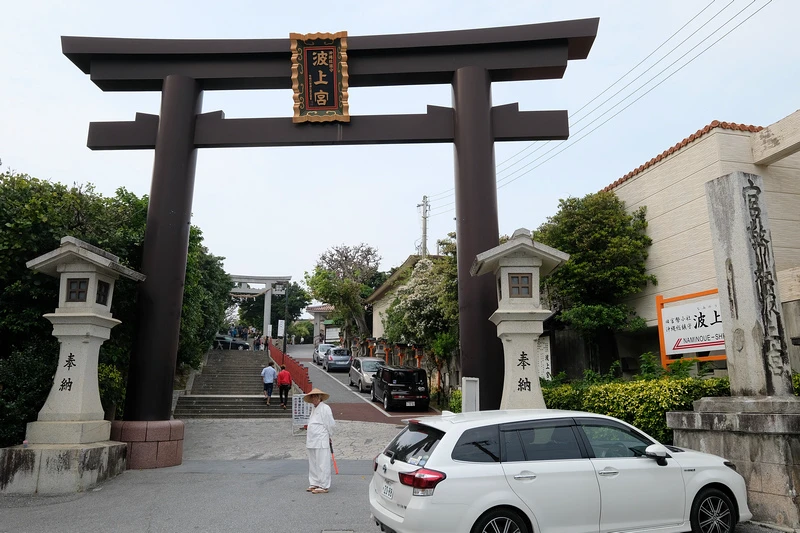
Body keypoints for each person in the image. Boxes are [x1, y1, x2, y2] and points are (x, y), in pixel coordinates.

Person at [304, 388, 335, 494]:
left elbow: (330, 424)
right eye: (312, 397)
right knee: (313, 462)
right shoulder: (313, 408)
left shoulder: (325, 408)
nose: (314, 399)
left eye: (315, 396)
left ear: (319, 397)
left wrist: (329, 435)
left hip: (321, 439)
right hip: (312, 439)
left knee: (322, 463)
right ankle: (315, 482)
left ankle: (324, 485)